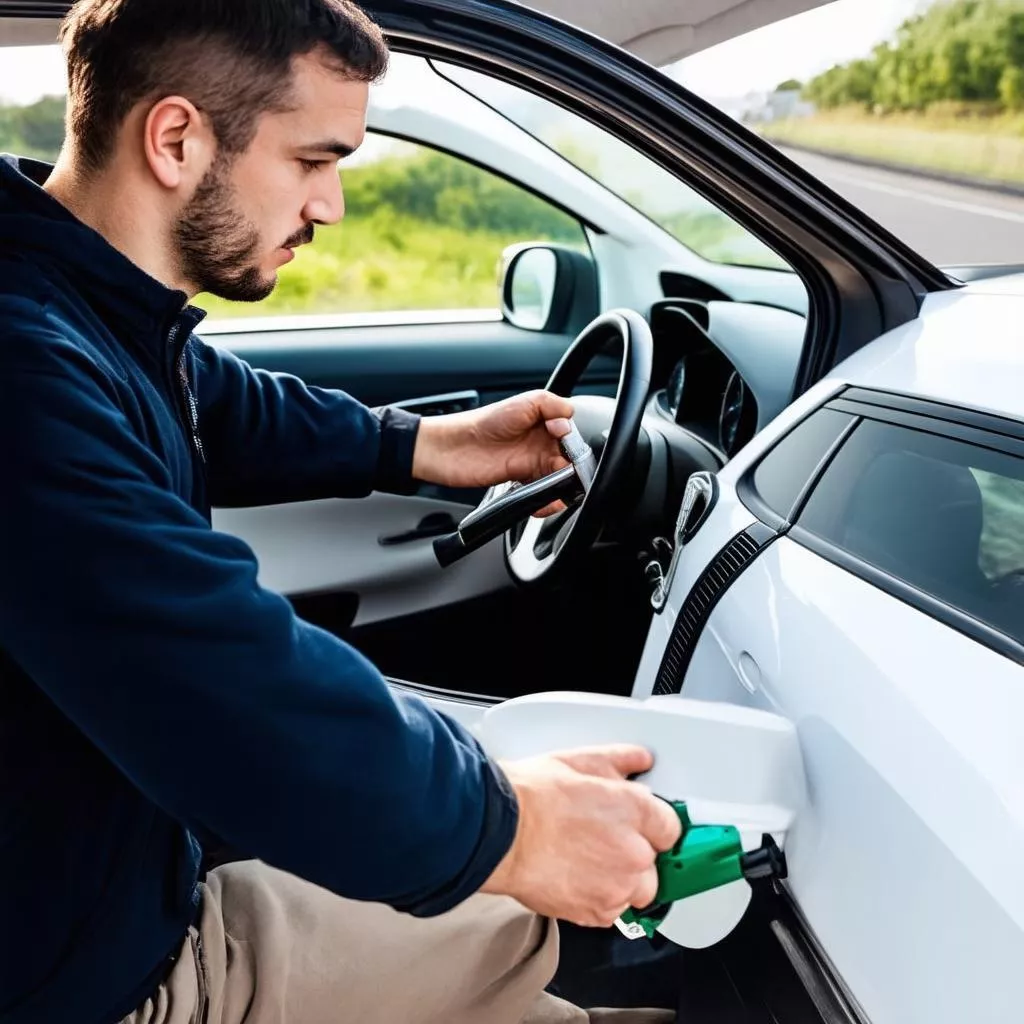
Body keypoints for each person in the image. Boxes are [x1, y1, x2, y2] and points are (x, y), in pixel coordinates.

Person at [0, 2, 683, 1022]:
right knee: (531, 925)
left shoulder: (75, 299)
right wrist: (515, 832)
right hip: (91, 982)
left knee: (518, 921)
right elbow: (221, 682)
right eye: (314, 160)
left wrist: (421, 445)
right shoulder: (23, 367)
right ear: (176, 140)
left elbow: (215, 398)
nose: (331, 204)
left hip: (116, 886)